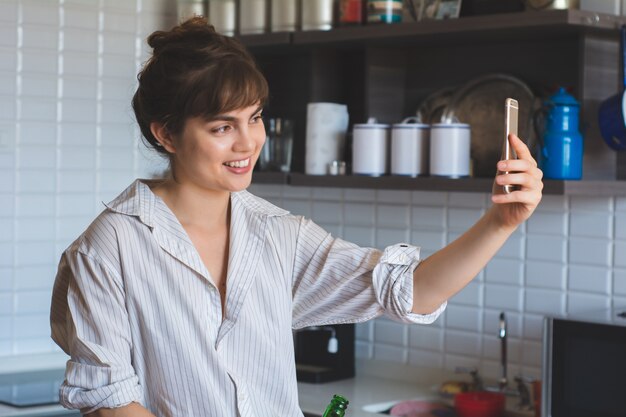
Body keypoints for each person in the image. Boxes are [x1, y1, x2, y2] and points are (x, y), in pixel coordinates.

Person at [49, 17, 543, 417]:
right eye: (223, 127)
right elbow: (110, 403)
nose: (248, 143)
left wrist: (499, 222)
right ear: (167, 134)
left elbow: (406, 288)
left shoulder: (276, 234)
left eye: (255, 117)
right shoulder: (108, 249)